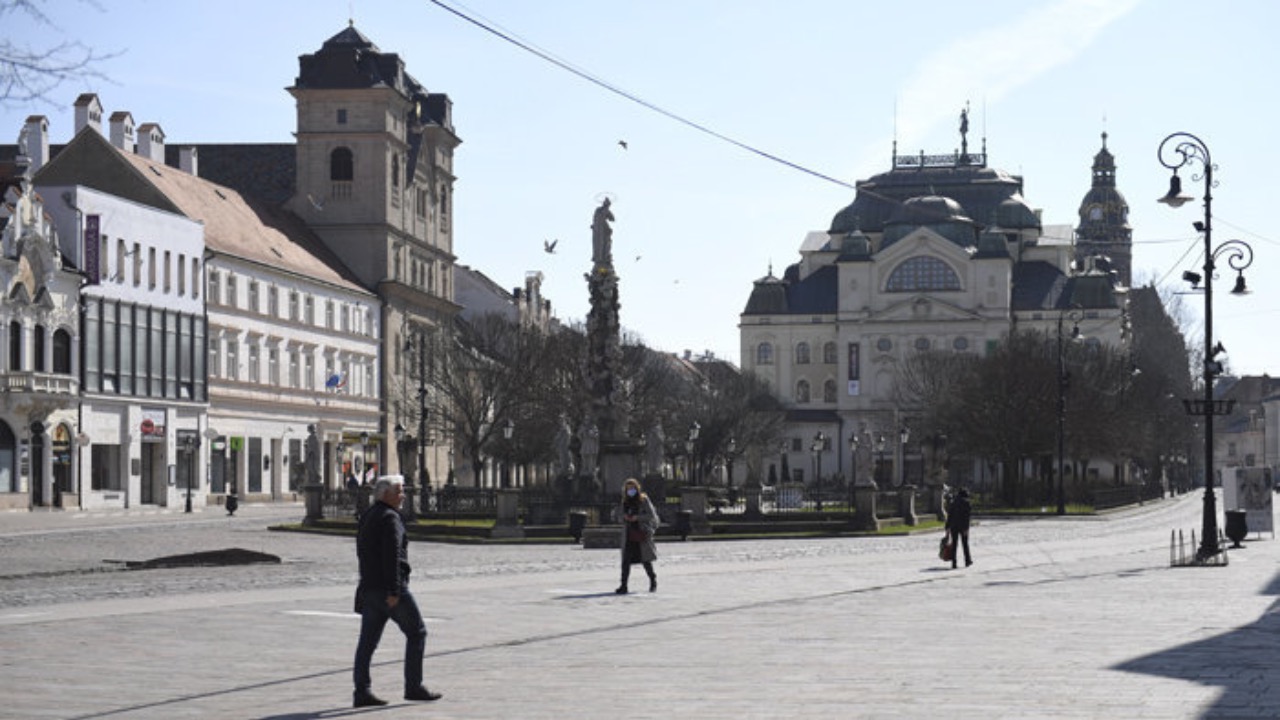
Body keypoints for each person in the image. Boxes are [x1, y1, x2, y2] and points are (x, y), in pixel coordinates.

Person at [352, 476, 442, 707]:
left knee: (367, 643)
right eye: (399, 491)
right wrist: (394, 590)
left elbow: (362, 553)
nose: (403, 495)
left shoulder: (368, 515)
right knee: (417, 632)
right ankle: (413, 687)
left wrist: (365, 586)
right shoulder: (390, 518)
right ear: (386, 494)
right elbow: (392, 556)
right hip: (390, 589)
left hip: (370, 588)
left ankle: (361, 691)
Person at [615, 478, 659, 594]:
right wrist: (624, 517)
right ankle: (623, 585)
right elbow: (619, 516)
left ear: (637, 488)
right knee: (625, 561)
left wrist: (637, 517)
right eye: (628, 488)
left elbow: (651, 515)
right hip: (628, 534)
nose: (630, 490)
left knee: (645, 559)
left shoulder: (643, 499)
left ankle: (652, 580)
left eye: (632, 488)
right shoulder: (624, 501)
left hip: (641, 533)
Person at [945, 488, 973, 569]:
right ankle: (967, 560)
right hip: (963, 526)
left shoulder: (953, 503)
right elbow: (967, 518)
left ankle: (954, 562)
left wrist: (947, 527)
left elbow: (949, 516)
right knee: (965, 544)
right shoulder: (966, 503)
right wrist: (966, 528)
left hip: (953, 526)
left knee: (954, 544)